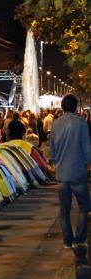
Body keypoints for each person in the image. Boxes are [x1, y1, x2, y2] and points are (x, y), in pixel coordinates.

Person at [51, 94, 91, 250]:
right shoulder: (81, 123)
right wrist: (88, 164)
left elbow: (52, 148)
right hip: (78, 171)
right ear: (75, 107)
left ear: (62, 107)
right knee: (84, 206)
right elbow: (86, 147)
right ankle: (80, 239)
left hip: (62, 173)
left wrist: (56, 162)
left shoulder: (56, 124)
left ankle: (67, 240)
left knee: (64, 209)